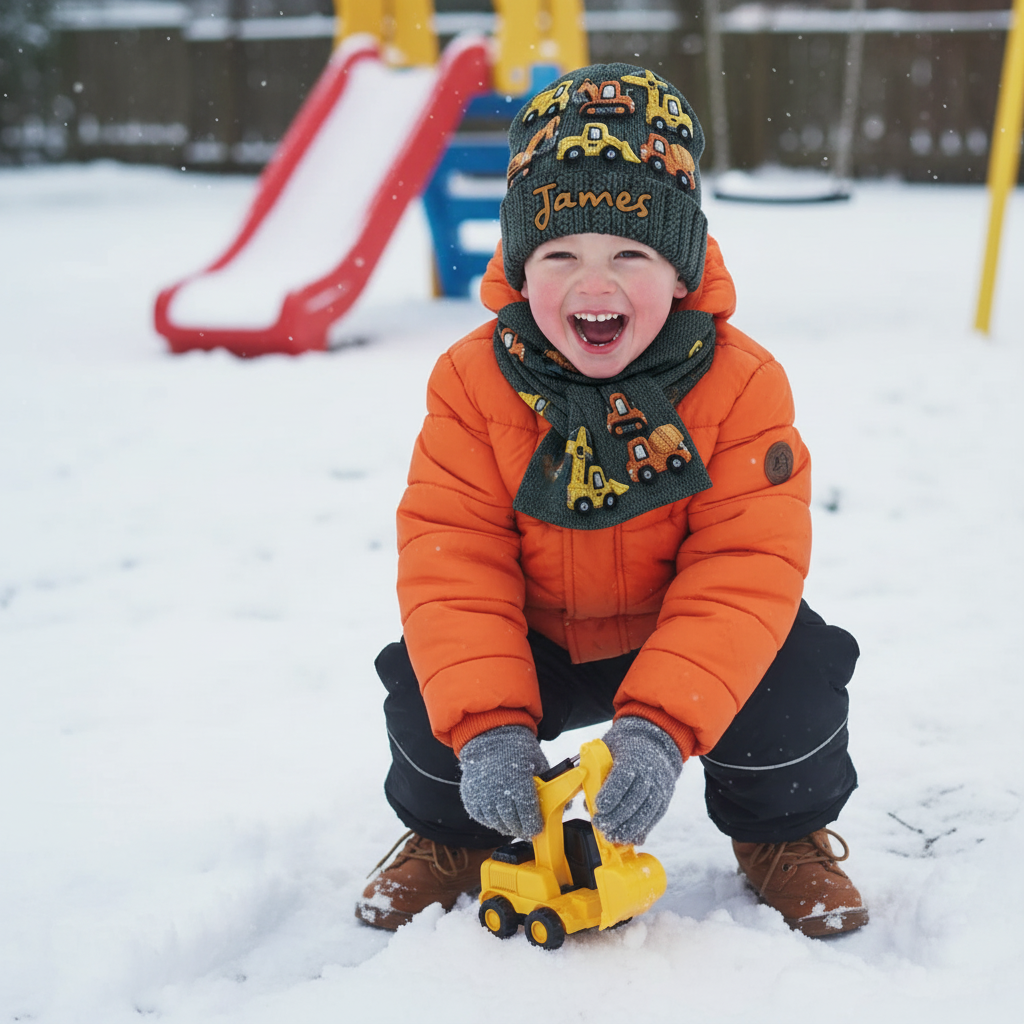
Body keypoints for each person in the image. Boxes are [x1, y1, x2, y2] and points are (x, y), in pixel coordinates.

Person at [355, 62, 867, 939]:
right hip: (536, 636)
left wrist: (662, 724)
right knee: (426, 685)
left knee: (794, 671)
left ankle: (782, 835)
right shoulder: (473, 382)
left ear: (681, 270)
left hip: (678, 626)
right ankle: (452, 837)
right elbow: (454, 561)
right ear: (521, 270)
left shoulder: (742, 383)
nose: (595, 287)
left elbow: (744, 566)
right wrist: (489, 726)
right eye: (560, 256)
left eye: (631, 254)